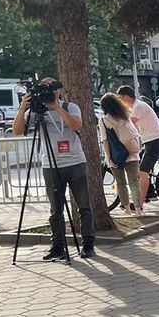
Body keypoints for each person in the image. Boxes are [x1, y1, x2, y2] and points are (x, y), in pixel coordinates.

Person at [10, 78, 95, 260]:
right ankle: (58, 246)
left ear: (59, 91)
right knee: (55, 209)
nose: (51, 93)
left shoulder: (70, 107)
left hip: (75, 162)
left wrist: (57, 108)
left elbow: (77, 125)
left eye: (54, 89)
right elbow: (17, 130)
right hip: (50, 163)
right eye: (46, 90)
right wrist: (23, 108)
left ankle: (88, 244)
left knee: (84, 206)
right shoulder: (36, 111)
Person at [117, 85, 159, 205]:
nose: (120, 101)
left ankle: (140, 202)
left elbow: (130, 125)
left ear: (127, 97)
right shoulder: (135, 106)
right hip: (151, 142)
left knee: (142, 171)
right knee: (137, 168)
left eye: (120, 98)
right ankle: (150, 192)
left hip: (155, 142)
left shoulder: (138, 107)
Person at [98, 93, 144, 216]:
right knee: (134, 182)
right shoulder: (125, 116)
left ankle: (127, 209)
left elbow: (105, 141)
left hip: (116, 155)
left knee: (121, 182)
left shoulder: (103, 120)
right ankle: (139, 210)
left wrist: (108, 158)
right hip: (132, 153)